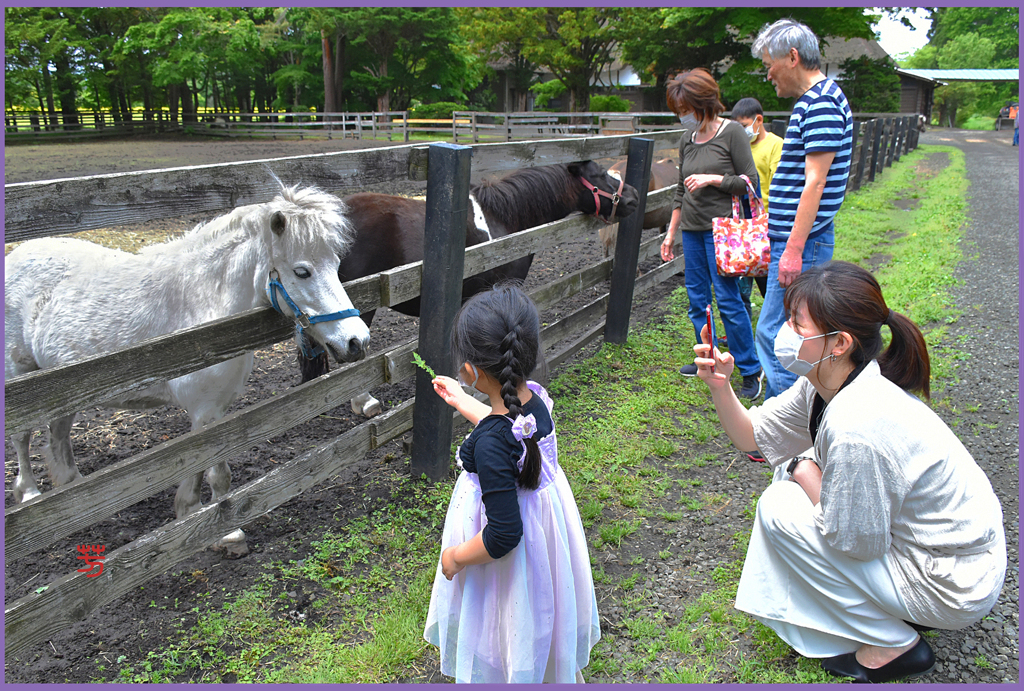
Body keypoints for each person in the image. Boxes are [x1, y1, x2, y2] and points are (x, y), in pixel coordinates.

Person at [691, 260, 1007, 684]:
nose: (782, 333)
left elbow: (856, 542)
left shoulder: (859, 424)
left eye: (795, 323)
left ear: (838, 342)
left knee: (781, 504)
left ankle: (892, 643)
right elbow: (752, 437)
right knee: (789, 481)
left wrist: (803, 470)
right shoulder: (825, 384)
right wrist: (720, 385)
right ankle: (886, 612)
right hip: (946, 555)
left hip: (953, 583)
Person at [423, 284, 599, 683]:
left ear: (471, 370)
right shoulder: (533, 404)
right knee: (534, 616)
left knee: (500, 624)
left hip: (506, 560)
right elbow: (503, 428)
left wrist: (454, 558)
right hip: (545, 542)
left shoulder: (491, 445)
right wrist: (460, 401)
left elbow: (503, 536)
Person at [750, 19, 854, 405]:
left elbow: (815, 182)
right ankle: (804, 418)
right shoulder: (818, 99)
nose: (768, 75)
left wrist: (793, 249)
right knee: (795, 330)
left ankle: (791, 424)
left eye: (769, 64)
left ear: (792, 57)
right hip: (799, 239)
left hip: (803, 242)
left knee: (780, 333)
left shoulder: (820, 102)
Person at [661, 67, 763, 400]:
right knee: (696, 300)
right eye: (679, 112)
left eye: (686, 110)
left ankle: (749, 369)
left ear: (704, 103)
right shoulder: (686, 140)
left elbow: (750, 182)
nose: (683, 118)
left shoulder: (732, 133)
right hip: (691, 230)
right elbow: (680, 190)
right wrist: (670, 233)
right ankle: (707, 357)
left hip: (722, 234)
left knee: (729, 300)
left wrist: (712, 179)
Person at [731, 96, 784, 318]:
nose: (741, 131)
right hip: (742, 220)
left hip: (765, 220)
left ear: (758, 120)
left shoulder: (775, 145)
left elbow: (776, 183)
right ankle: (741, 324)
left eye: (743, 126)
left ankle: (777, 321)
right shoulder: (738, 147)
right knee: (741, 276)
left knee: (765, 277)